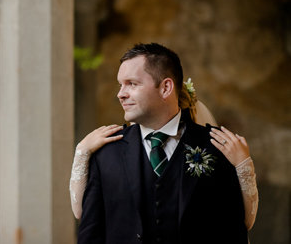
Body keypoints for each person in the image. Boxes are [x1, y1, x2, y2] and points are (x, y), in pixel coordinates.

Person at [76, 43, 250, 243]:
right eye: (120, 84)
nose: (121, 94)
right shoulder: (106, 151)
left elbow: (232, 232)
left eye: (132, 84)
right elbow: (90, 234)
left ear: (166, 87)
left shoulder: (217, 145)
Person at [69, 97, 259, 230]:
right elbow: (85, 216)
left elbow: (239, 223)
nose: (121, 95)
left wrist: (243, 164)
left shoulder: (213, 147)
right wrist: (82, 151)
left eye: (133, 84)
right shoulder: (110, 150)